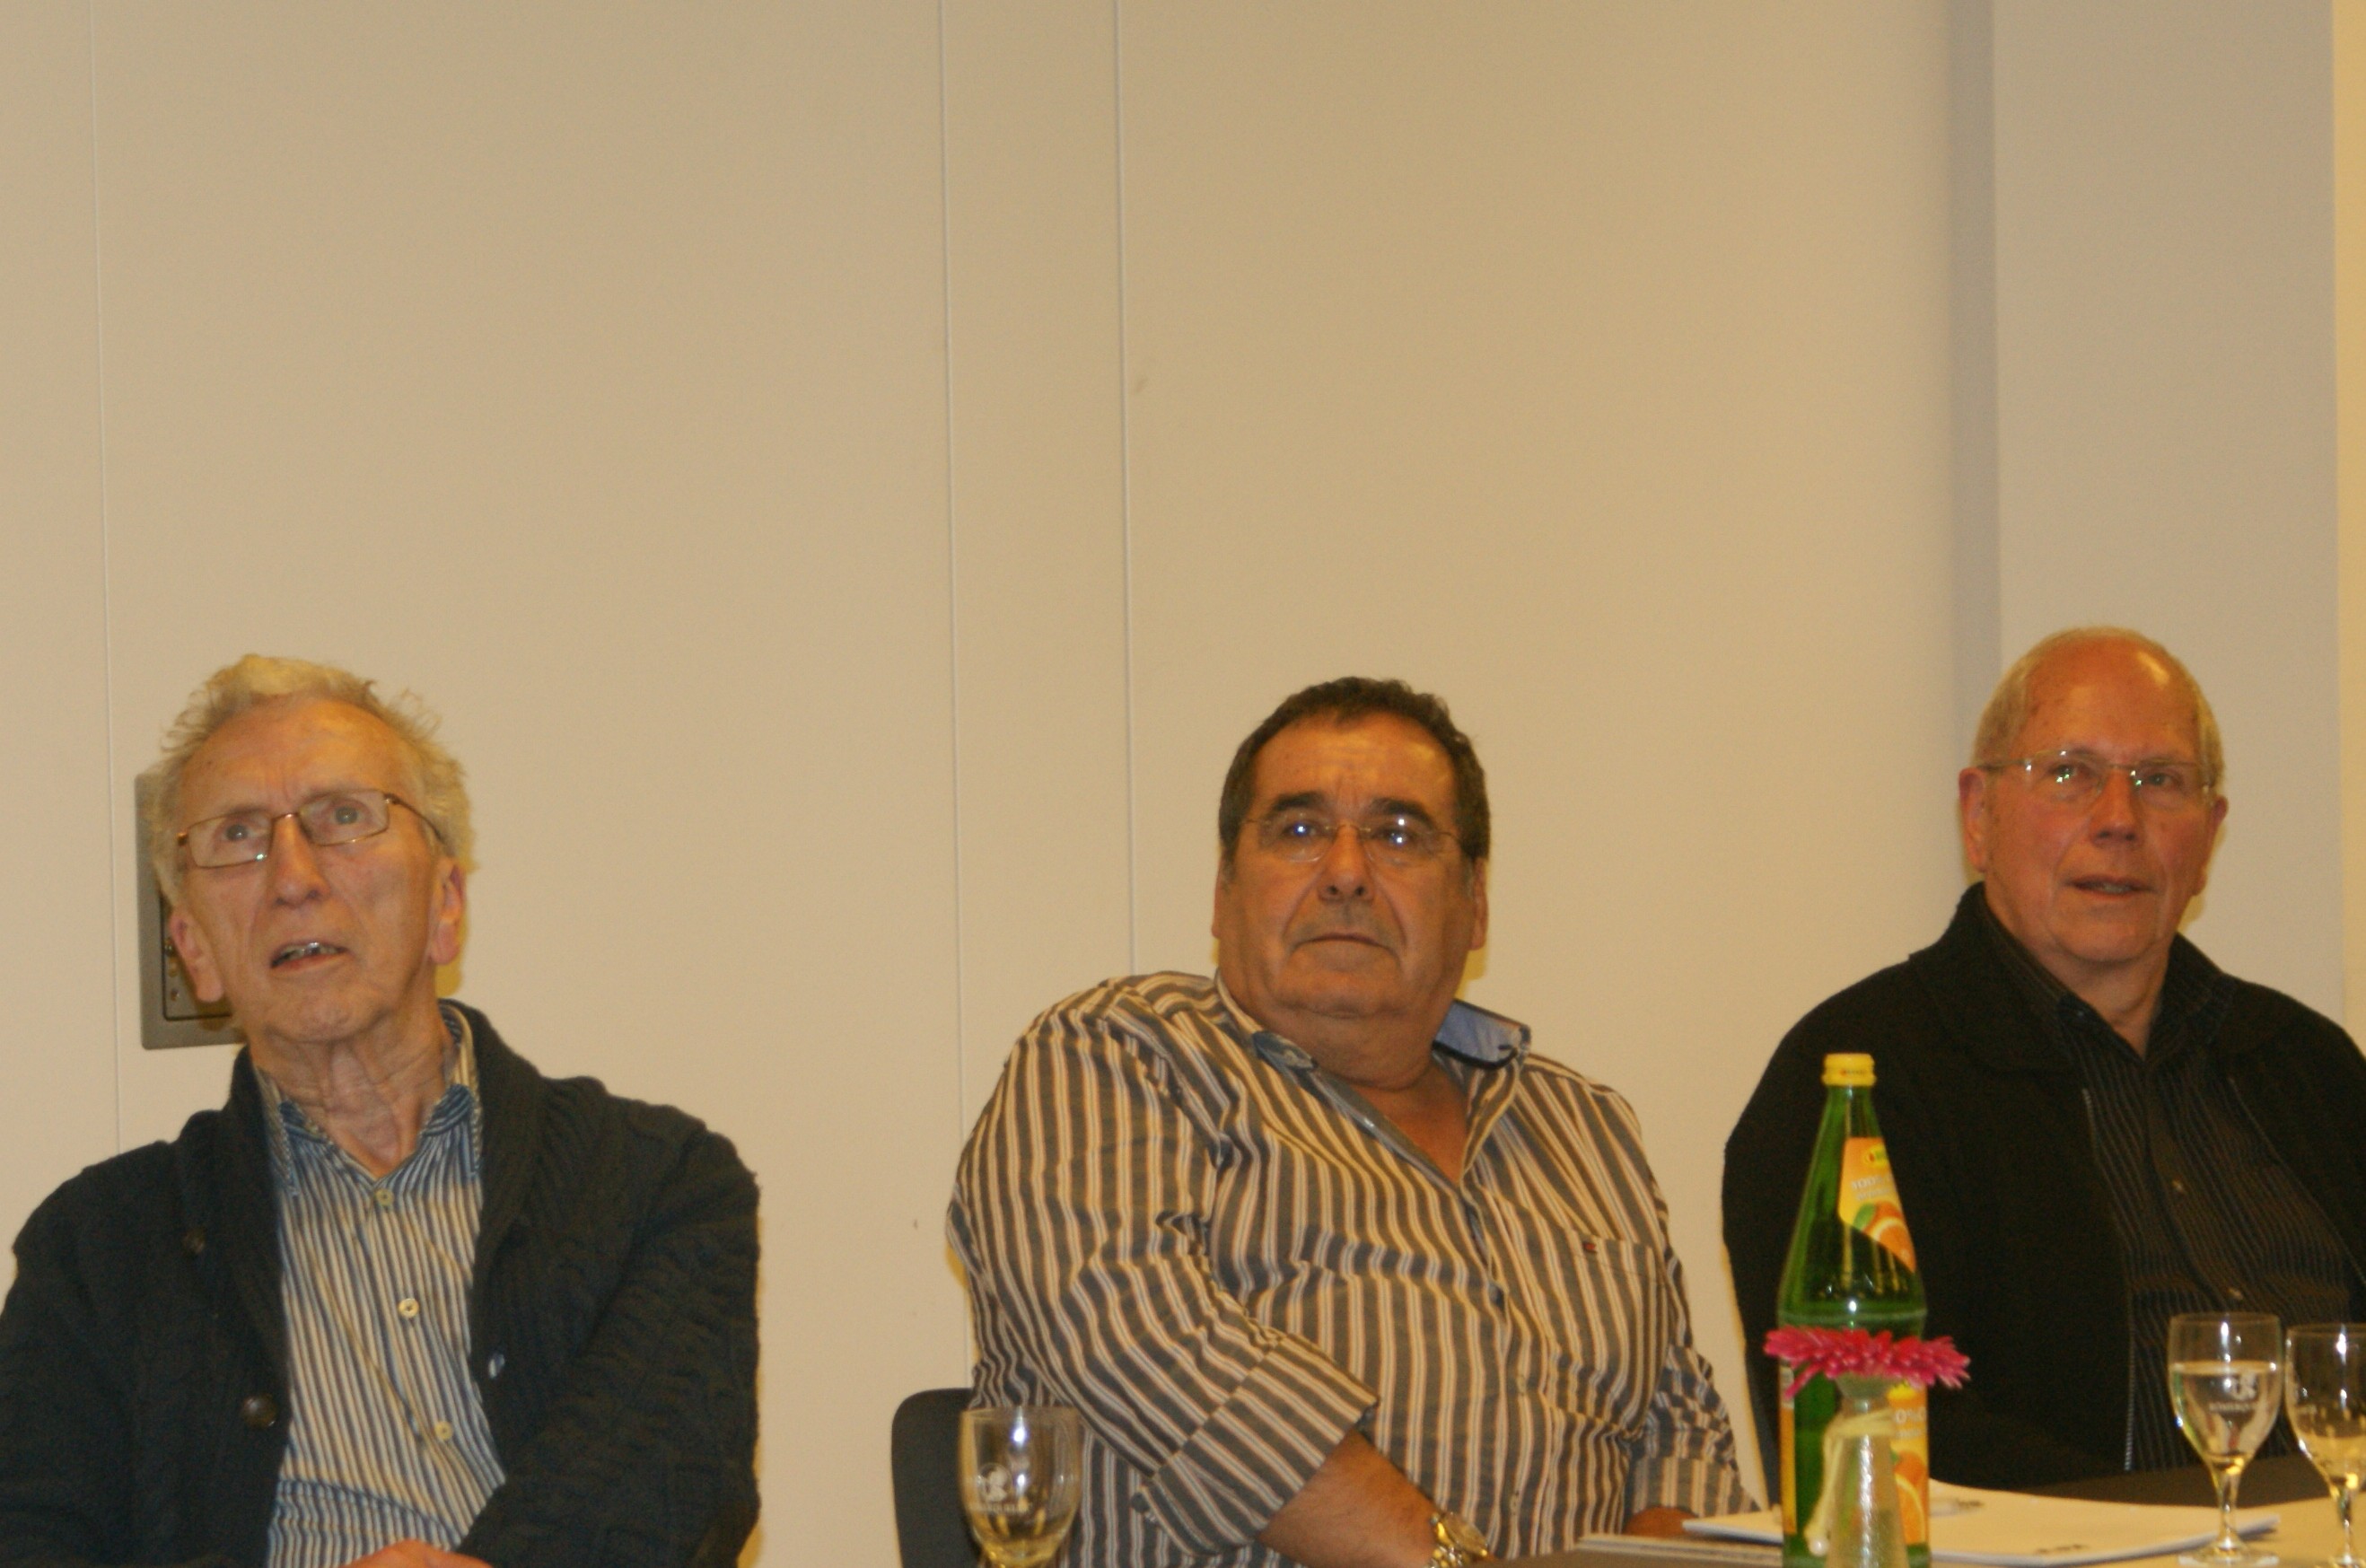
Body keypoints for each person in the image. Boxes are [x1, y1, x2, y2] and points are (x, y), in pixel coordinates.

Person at [951, 677, 1750, 1568]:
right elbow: (1159, 1361)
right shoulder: (1113, 1058)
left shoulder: (1584, 1129)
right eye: (1297, 830)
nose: (1343, 872)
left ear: (1475, 902)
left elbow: (1684, 1441)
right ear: (1222, 891)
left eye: (1397, 835)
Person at [0, 656, 758, 1568]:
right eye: (238, 834)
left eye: (345, 817)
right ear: (194, 949)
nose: (293, 876)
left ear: (445, 903)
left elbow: (671, 1491)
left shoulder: (656, 1182)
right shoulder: (97, 1248)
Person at [1725, 627, 2366, 1489]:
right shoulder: (1857, 1079)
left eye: (2161, 780)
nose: (2119, 819)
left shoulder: (2308, 1068)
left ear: (2210, 835)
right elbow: (1872, 1425)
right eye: (2068, 773)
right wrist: (2167, 1525)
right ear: (1978, 816)